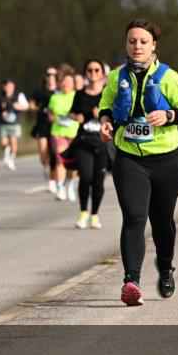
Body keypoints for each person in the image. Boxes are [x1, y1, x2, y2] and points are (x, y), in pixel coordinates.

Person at [99, 18, 178, 306]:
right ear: (126, 44)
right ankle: (132, 282)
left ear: (153, 46)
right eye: (132, 41)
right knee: (134, 218)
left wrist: (168, 115)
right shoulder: (116, 77)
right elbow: (105, 104)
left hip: (166, 160)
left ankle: (165, 268)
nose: (137, 46)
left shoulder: (168, 76)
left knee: (162, 223)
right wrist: (105, 121)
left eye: (143, 42)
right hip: (130, 158)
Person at [70, 59, 108, 229]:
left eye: (97, 70)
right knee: (85, 177)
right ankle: (83, 210)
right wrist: (76, 117)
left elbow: (117, 114)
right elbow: (71, 113)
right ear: (85, 73)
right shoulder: (80, 94)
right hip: (84, 141)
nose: (93, 73)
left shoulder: (108, 93)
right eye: (90, 70)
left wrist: (102, 114)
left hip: (102, 142)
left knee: (98, 181)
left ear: (103, 73)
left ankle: (94, 214)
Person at [48, 65, 79, 202]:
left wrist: (73, 116)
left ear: (73, 84)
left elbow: (81, 113)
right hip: (58, 132)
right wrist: (52, 117)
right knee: (61, 160)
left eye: (69, 82)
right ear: (60, 83)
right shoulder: (55, 97)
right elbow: (50, 112)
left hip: (74, 133)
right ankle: (60, 188)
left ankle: (70, 184)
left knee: (73, 163)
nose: (66, 84)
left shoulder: (77, 96)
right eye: (64, 82)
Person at [30, 67, 59, 193]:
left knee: (53, 154)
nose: (50, 77)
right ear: (45, 76)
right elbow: (31, 104)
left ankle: (52, 181)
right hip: (42, 125)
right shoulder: (39, 91)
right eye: (48, 74)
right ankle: (46, 166)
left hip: (55, 126)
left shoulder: (59, 91)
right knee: (43, 154)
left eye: (53, 74)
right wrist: (37, 109)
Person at [0, 78, 29, 170]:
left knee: (13, 143)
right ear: (4, 87)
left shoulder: (19, 95)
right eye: (7, 86)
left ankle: (11, 159)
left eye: (10, 86)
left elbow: (26, 106)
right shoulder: (0, 96)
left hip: (15, 123)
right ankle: (6, 152)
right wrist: (2, 113)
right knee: (3, 142)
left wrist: (18, 106)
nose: (9, 88)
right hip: (3, 123)